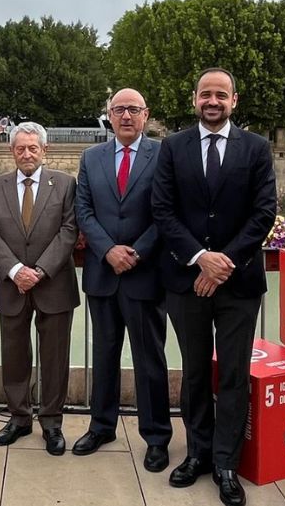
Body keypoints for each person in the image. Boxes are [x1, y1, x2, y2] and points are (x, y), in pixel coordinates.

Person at [151, 68, 277, 506]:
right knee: (195, 372)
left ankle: (226, 462)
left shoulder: (257, 148)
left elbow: (263, 213)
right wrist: (200, 258)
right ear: (194, 99)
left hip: (239, 284)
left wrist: (223, 262)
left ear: (234, 101)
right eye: (206, 93)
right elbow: (163, 210)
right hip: (187, 282)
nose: (213, 101)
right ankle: (198, 453)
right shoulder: (172, 147)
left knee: (235, 375)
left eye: (221, 95)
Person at [74, 88, 171, 470]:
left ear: (146, 115)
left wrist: (136, 251)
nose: (126, 116)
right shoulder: (90, 157)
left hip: (144, 273)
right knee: (104, 355)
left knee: (150, 359)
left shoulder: (163, 154)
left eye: (133, 109)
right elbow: (83, 209)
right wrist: (107, 250)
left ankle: (157, 436)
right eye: (119, 110)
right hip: (103, 272)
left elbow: (166, 210)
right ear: (109, 116)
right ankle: (102, 426)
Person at [0, 122, 78, 456]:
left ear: (44, 150)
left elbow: (68, 230)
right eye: (20, 148)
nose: (26, 154)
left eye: (33, 148)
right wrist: (16, 270)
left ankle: (52, 423)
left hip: (54, 284)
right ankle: (19, 418)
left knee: (54, 359)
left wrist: (40, 270)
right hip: (12, 285)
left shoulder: (65, 185)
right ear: (11, 151)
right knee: (14, 356)